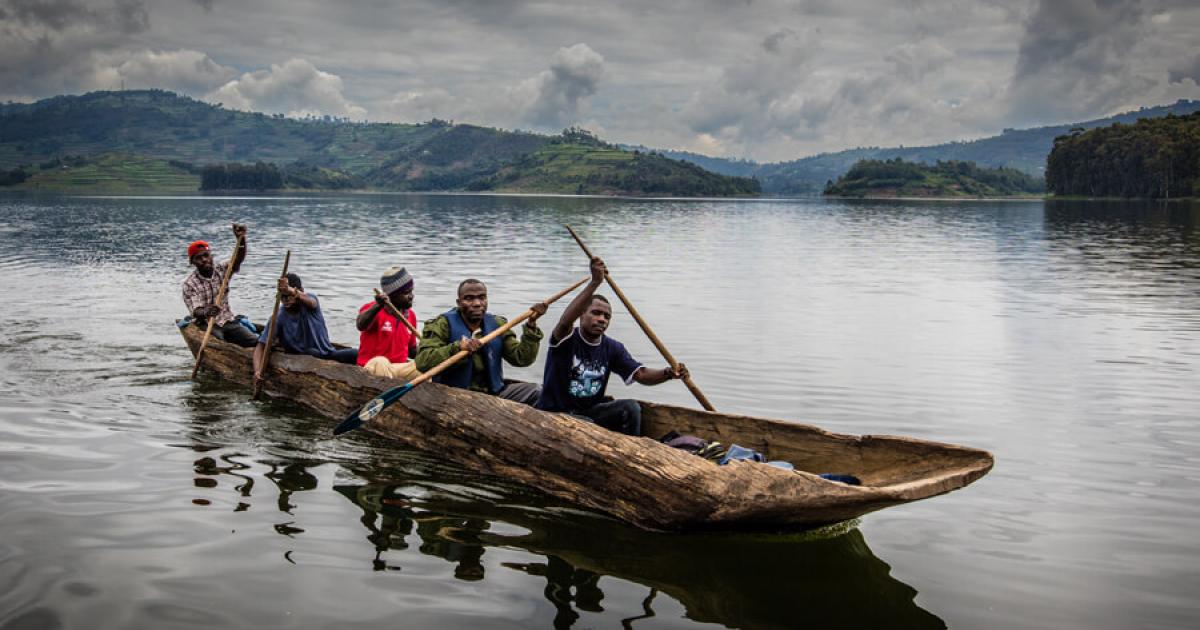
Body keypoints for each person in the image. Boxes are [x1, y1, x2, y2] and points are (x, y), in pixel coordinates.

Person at [535, 257, 687, 436]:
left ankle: (632, 448)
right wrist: (595, 282)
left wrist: (669, 373)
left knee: (630, 408)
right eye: (596, 313)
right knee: (586, 425)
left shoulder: (612, 348)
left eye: (607, 316)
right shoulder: (565, 339)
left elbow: (641, 374)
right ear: (581, 315)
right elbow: (564, 322)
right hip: (554, 415)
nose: (602, 319)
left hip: (588, 413)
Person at [415, 278, 547, 404]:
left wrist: (531, 326)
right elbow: (423, 362)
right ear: (459, 302)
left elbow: (522, 359)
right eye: (469, 298)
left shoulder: (497, 324)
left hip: (494, 394)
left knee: (538, 392)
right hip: (455, 396)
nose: (477, 303)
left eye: (482, 297)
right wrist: (457, 348)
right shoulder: (442, 325)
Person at [252, 273, 358, 388]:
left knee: (356, 354)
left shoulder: (310, 302)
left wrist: (290, 290)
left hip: (327, 354)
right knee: (312, 352)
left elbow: (311, 302)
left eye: (289, 296)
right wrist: (257, 371)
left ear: (301, 291)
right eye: (283, 297)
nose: (286, 300)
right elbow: (260, 347)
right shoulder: (278, 317)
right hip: (302, 359)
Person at [182, 222, 258, 347]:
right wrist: (207, 311)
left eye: (206, 255)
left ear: (211, 256)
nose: (204, 260)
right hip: (207, 324)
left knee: (255, 341)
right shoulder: (190, 284)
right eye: (198, 258)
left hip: (227, 320)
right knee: (220, 344)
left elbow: (238, 259)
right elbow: (196, 311)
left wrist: (241, 239)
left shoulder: (222, 270)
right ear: (193, 262)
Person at [357, 266, 421, 381]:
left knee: (422, 367)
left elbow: (411, 350)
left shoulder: (411, 316)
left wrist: (431, 352)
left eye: (411, 291)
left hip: (397, 369)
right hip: (373, 367)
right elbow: (361, 325)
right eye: (406, 293)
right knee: (380, 362)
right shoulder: (372, 309)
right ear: (392, 295)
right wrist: (378, 305)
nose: (411, 296)